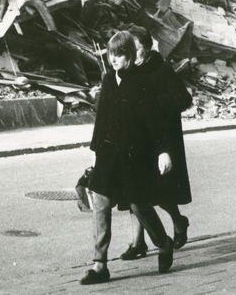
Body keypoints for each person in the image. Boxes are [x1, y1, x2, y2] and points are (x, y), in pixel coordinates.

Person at [80, 32, 176, 285]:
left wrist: (163, 151)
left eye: (119, 54)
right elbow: (101, 118)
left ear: (131, 56)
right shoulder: (108, 79)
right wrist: (94, 151)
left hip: (134, 157)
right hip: (107, 155)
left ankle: (163, 243)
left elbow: (155, 121)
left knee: (139, 205)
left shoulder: (142, 81)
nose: (114, 59)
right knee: (100, 204)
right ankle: (100, 265)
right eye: (111, 54)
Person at [119, 28, 193, 260]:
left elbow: (184, 98)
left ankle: (178, 221)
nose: (133, 52)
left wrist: (153, 104)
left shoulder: (161, 69)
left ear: (147, 47)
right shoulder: (127, 70)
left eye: (136, 47)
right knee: (134, 193)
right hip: (136, 139)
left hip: (160, 140)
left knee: (160, 193)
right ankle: (138, 243)